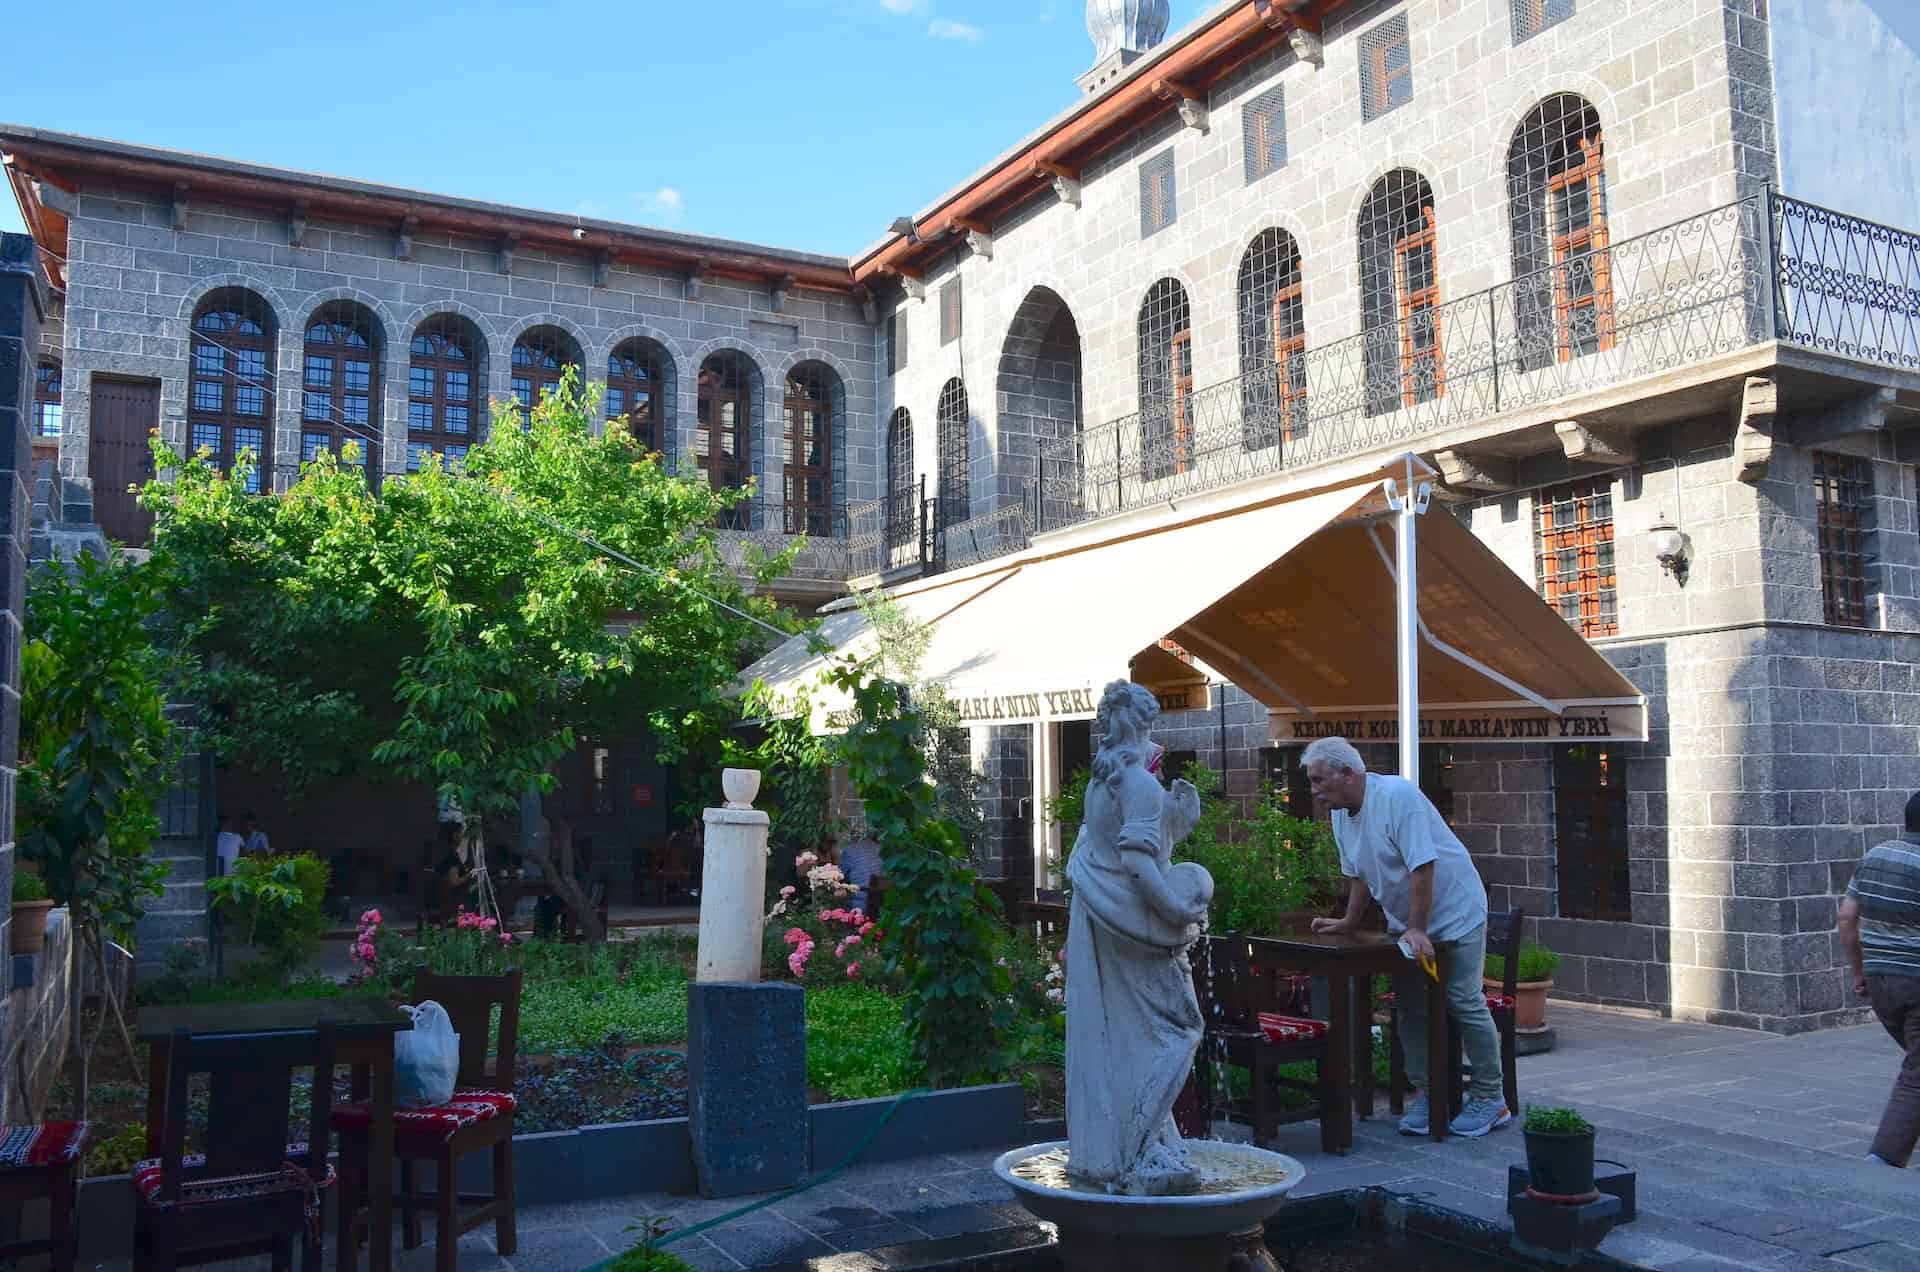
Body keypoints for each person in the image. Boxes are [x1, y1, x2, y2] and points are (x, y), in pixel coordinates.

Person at [1303, 736, 1508, 1138]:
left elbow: (1423, 868)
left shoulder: (1398, 797)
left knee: (1462, 999)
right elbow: (1360, 873)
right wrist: (1348, 921)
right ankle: (1431, 1093)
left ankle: (1490, 1097)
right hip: (1409, 921)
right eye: (1311, 781)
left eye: (1318, 780)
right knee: (1411, 1006)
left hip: (1457, 911)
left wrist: (1416, 927)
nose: (1314, 791)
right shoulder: (1341, 813)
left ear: (1348, 773)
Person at [1837, 791, 1920, 1168]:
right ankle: (1882, 1161)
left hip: (1881, 981)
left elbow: (1846, 918)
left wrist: (1859, 972)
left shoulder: (1874, 856)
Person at [839, 821, 884, 915]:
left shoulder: (850, 851)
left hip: (860, 909)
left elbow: (841, 880)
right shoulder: (889, 853)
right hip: (885, 908)